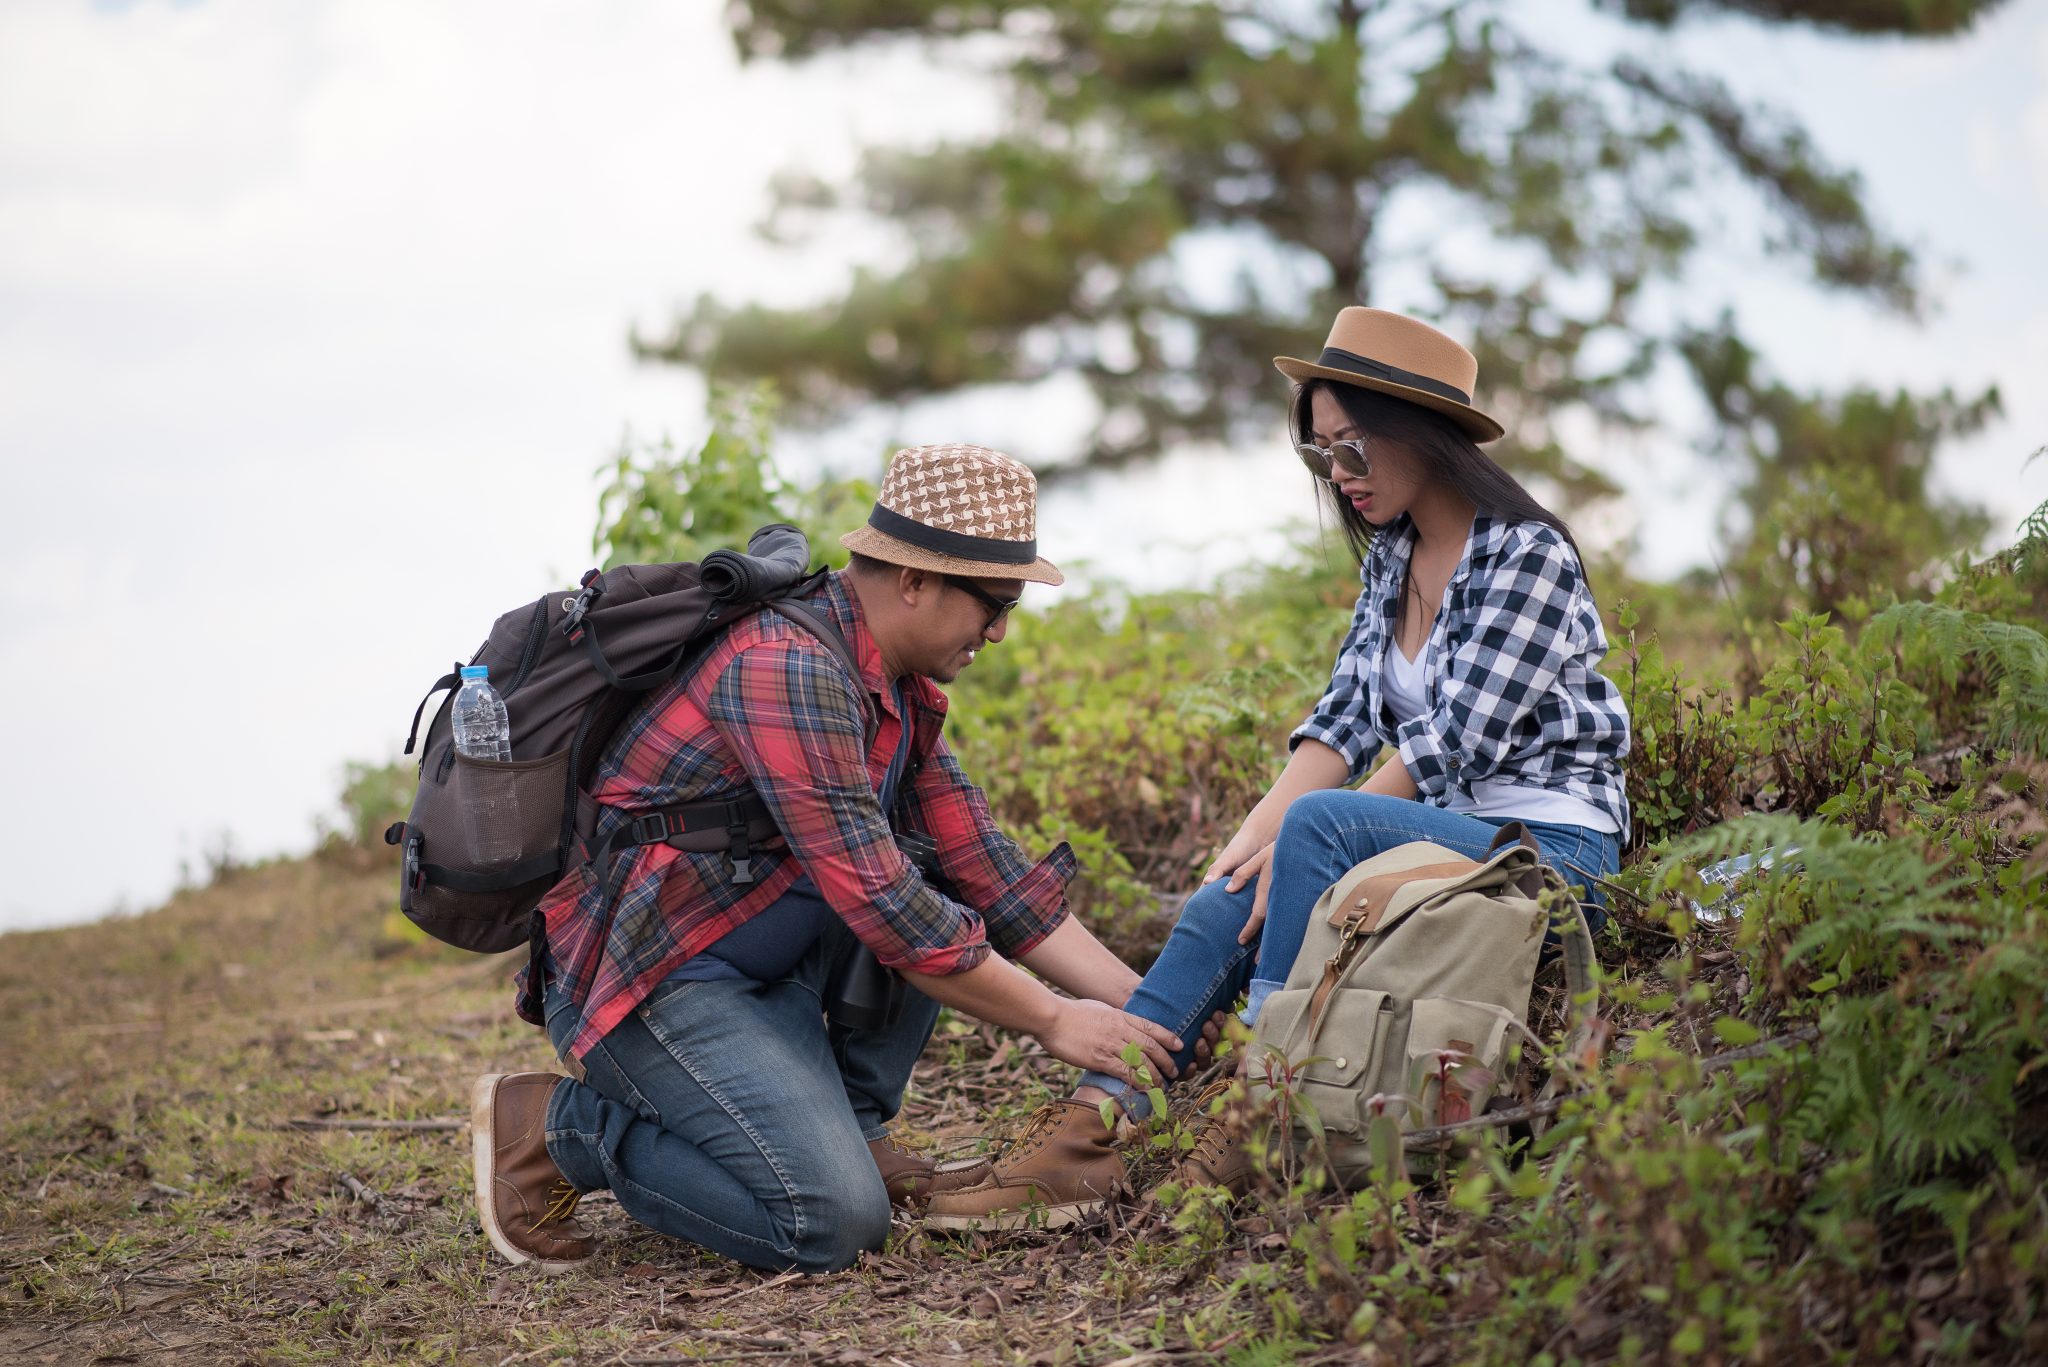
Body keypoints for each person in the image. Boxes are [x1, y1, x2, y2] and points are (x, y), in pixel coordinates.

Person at [923, 307, 1632, 1229]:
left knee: (1314, 832)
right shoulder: (1396, 558)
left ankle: (1265, 1100)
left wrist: (1306, 840)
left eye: (1356, 451)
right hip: (1440, 838)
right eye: (1323, 456)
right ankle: (1088, 1136)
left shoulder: (1527, 554)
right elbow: (1342, 721)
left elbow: (1448, 744)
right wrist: (1244, 851)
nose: (1341, 477)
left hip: (1553, 846)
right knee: (1232, 886)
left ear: (1427, 436)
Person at [470, 443, 1197, 1275]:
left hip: (751, 956)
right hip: (649, 980)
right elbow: (889, 910)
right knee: (830, 1221)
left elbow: (989, 872)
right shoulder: (788, 667)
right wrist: (1059, 1019)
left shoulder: (898, 687)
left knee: (934, 867)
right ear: (915, 581)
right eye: (993, 603)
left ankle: (856, 1126)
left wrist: (1155, 1016)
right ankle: (561, 1131)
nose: (998, 631)